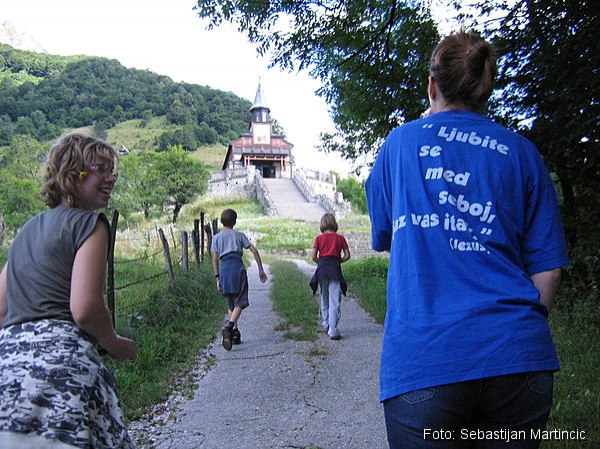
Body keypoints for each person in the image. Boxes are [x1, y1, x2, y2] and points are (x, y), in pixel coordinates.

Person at [365, 30, 569, 448]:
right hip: (518, 358)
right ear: (484, 89)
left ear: (432, 85)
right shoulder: (522, 153)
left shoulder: (400, 144)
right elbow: (548, 271)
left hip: (427, 360)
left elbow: (384, 235)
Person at [0, 133, 138, 448]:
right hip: (63, 370)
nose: (111, 178)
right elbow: (85, 309)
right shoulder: (90, 225)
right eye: (101, 170)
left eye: (112, 171)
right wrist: (115, 344)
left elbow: (1, 310)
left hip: (7, 369)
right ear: (72, 174)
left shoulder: (25, 231)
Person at [211, 208, 268, 350]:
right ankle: (230, 326)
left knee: (231, 302)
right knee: (240, 301)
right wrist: (260, 270)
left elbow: (215, 259)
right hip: (237, 269)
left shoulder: (216, 238)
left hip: (224, 270)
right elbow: (254, 251)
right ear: (234, 222)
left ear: (221, 221)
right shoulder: (239, 235)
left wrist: (217, 277)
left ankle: (235, 334)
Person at [310, 213, 351, 340]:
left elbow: (313, 256)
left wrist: (321, 263)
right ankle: (333, 330)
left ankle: (326, 323)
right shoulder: (340, 238)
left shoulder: (318, 239)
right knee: (335, 300)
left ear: (322, 224)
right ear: (334, 223)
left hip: (322, 271)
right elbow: (347, 255)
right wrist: (337, 261)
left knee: (324, 298)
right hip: (335, 271)